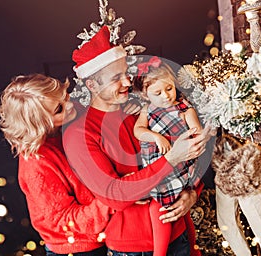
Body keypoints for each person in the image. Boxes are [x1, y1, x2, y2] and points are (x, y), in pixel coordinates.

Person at [63, 25, 213, 255]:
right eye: (115, 78)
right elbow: (113, 195)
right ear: (92, 85)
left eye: (126, 73)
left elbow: (191, 151)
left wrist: (192, 192)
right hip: (134, 248)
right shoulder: (79, 135)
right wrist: (171, 159)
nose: (126, 83)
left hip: (178, 234)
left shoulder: (142, 109)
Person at [0, 74, 112, 256]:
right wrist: (113, 200)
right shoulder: (35, 164)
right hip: (76, 249)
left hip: (105, 236)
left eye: (65, 96)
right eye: (58, 109)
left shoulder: (68, 120)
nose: (70, 105)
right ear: (38, 124)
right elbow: (64, 220)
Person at [133, 56, 203, 256]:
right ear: (145, 95)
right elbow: (138, 131)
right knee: (168, 210)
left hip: (179, 166)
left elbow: (195, 131)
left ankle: (169, 252)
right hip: (156, 164)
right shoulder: (147, 110)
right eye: (157, 93)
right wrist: (155, 137)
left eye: (169, 89)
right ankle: (182, 250)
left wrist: (193, 133)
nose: (165, 96)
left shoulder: (184, 108)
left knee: (165, 207)